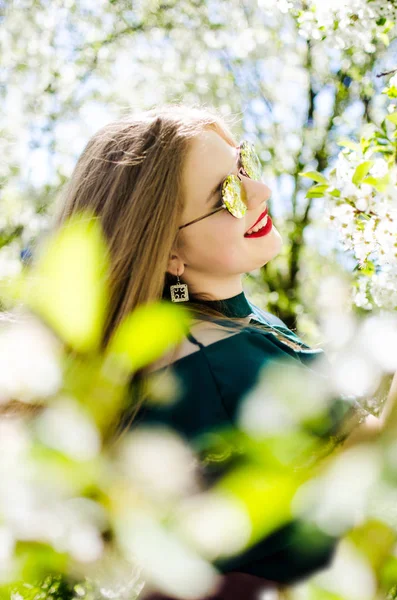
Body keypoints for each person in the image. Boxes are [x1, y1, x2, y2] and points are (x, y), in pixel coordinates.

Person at [53, 104, 396, 599]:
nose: (260, 191)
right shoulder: (219, 360)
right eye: (227, 193)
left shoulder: (229, 326)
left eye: (243, 167)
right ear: (170, 250)